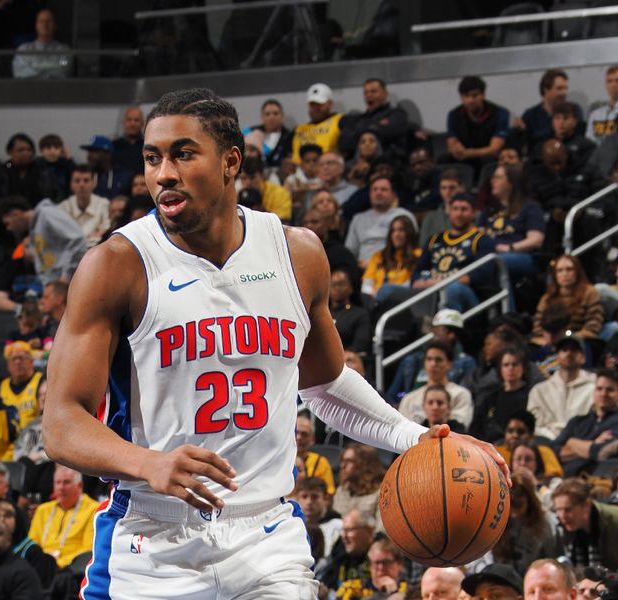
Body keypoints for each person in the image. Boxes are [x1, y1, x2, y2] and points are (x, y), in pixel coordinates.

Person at [43, 87, 507, 599]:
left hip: (266, 536)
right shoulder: (117, 263)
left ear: (230, 162)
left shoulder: (298, 253)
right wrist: (147, 462)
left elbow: (326, 384)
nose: (163, 174)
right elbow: (62, 424)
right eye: (153, 158)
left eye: (183, 153)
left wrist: (414, 437)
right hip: (154, 541)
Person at [411, 193, 496, 313]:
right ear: (449, 212)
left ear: (473, 213)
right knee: (388, 290)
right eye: (455, 209)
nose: (459, 213)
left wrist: (443, 283)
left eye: (464, 209)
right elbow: (418, 270)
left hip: (465, 293)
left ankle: (451, 331)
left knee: (452, 289)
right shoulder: (434, 239)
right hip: (431, 288)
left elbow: (482, 274)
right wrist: (418, 282)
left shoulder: (482, 240)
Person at [386, 308, 476, 405]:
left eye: (439, 330)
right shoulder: (412, 360)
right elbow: (392, 395)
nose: (434, 333)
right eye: (434, 329)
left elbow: (463, 399)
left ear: (451, 334)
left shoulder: (465, 363)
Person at [479, 164, 545, 283]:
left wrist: (510, 248)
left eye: (497, 177)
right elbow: (478, 235)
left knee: (495, 262)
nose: (492, 181)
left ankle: (506, 302)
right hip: (490, 254)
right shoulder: (489, 210)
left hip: (520, 255)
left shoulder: (530, 207)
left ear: (511, 183)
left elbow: (536, 240)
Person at [0, 195, 87, 285]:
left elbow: (77, 239)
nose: (8, 229)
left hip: (70, 282)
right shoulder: (33, 231)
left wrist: (66, 277)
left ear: (15, 214)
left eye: (7, 223)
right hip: (55, 285)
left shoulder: (47, 214)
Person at [27, 464, 99, 568]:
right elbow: (32, 544)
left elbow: (88, 550)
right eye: (58, 482)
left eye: (66, 482)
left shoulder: (93, 509)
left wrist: (58, 562)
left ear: (79, 485)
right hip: (42, 568)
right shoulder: (42, 510)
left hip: (71, 569)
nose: (61, 487)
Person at [527, 334, 596, 440]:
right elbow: (535, 426)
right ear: (557, 357)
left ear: (583, 358)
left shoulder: (596, 387)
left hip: (583, 444)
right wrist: (556, 440)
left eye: (574, 350)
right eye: (564, 350)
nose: (569, 353)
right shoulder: (539, 391)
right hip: (547, 444)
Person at [551, 368, 618, 476]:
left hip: (599, 479)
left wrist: (571, 442)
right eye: (599, 389)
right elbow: (553, 451)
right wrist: (594, 443)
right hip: (565, 478)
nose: (603, 394)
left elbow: (602, 452)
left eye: (610, 390)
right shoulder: (577, 421)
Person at [344, 174, 417, 268]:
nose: (378, 193)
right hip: (363, 270)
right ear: (369, 194)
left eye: (383, 189)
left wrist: (376, 264)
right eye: (374, 189)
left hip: (396, 267)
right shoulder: (358, 219)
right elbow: (350, 251)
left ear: (393, 195)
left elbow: (411, 248)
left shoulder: (404, 215)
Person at [531, 255, 605, 348]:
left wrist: (569, 338)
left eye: (569, 269)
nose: (564, 274)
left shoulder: (590, 293)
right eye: (560, 270)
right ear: (555, 275)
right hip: (551, 339)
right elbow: (538, 327)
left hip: (582, 339)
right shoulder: (547, 298)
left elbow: (593, 325)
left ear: (577, 272)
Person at [492, 471, 558, 574]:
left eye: (519, 506)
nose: (514, 513)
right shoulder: (500, 518)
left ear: (530, 500)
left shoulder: (545, 523)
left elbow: (552, 557)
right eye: (511, 507)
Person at [398, 341, 474, 429]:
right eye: (429, 359)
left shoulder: (461, 394)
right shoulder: (409, 398)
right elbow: (401, 430)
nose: (433, 364)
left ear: (450, 364)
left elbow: (460, 427)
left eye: (438, 360)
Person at [445, 75, 509, 173]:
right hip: (465, 157)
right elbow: (451, 142)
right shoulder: (454, 114)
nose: (471, 100)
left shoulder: (500, 113)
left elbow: (494, 149)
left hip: (487, 157)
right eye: (466, 96)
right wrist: (456, 149)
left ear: (483, 94)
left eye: (475, 95)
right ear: (461, 97)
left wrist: (469, 153)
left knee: (489, 159)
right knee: (444, 160)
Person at [472, 345, 536, 441]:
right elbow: (476, 428)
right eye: (506, 365)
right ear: (500, 369)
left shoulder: (531, 395)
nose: (510, 368)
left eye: (515, 364)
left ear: (523, 368)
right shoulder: (491, 398)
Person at [552, 479, 618, 569]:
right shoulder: (565, 528)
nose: (562, 516)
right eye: (558, 510)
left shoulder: (614, 522)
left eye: (568, 509)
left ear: (586, 505)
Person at [338, 78, 410, 159]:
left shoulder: (397, 115)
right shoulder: (358, 120)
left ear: (385, 93)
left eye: (373, 91)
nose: (369, 95)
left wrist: (358, 133)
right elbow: (344, 143)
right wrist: (374, 128)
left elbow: (389, 133)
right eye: (366, 93)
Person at [520, 69, 584, 153]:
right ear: (546, 90)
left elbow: (579, 139)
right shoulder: (531, 115)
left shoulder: (574, 110)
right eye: (559, 89)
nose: (564, 93)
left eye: (565, 88)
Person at [361, 215, 422, 301]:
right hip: (375, 301)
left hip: (403, 300)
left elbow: (413, 284)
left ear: (409, 233)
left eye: (401, 230)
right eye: (393, 231)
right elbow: (367, 284)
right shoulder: (378, 256)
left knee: (386, 290)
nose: (396, 234)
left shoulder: (418, 255)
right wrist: (372, 295)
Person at [495, 410, 564, 481]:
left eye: (520, 432)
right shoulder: (495, 452)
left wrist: (527, 480)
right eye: (510, 431)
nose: (515, 435)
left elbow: (555, 478)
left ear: (531, 435)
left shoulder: (544, 451)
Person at [321, 510, 374, 600]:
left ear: (369, 530)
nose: (344, 536)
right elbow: (326, 585)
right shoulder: (341, 557)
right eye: (343, 530)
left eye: (349, 530)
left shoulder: (382, 556)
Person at [59, 164, 112, 248]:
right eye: (77, 181)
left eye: (86, 180)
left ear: (93, 183)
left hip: (96, 251)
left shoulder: (103, 204)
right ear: (71, 184)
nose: (82, 185)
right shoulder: (63, 207)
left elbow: (106, 229)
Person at [12, 8, 72, 79]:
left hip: (56, 88)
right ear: (36, 25)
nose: (45, 25)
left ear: (55, 25)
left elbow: (64, 67)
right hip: (29, 88)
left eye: (48, 21)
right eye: (41, 21)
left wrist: (34, 67)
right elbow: (20, 72)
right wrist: (52, 67)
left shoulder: (64, 50)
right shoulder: (23, 49)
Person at [331, 443, 384, 520]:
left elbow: (381, 529)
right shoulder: (341, 490)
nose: (342, 466)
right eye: (342, 461)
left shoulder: (380, 494)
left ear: (365, 465)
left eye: (349, 461)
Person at [292, 83, 343, 162]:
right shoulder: (299, 129)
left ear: (330, 104)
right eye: (312, 105)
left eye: (319, 104)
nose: (315, 108)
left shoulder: (340, 121)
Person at [294, 477, 342, 559]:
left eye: (315, 497)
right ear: (297, 499)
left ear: (325, 498)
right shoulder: (292, 526)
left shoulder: (338, 526)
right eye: (304, 497)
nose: (309, 502)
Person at [418, 168, 465, 249]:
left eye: (452, 188)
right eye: (443, 188)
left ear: (462, 188)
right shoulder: (430, 218)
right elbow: (423, 246)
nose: (447, 192)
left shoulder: (473, 215)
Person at [0, 341, 43, 429]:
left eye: (21, 358)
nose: (17, 362)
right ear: (8, 365)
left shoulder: (41, 382)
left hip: (35, 436)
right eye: (13, 359)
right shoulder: (3, 385)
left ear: (31, 361)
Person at [329, 267, 371, 353]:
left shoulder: (359, 314)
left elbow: (360, 345)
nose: (337, 288)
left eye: (341, 284)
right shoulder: (322, 313)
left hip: (346, 358)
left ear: (350, 288)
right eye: (333, 284)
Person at [242, 99, 292, 168]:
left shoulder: (289, 137)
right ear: (262, 117)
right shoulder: (249, 132)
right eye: (267, 114)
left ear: (282, 116)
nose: (271, 117)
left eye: (275, 113)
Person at [238, 156, 292, 221]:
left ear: (262, 176)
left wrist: (262, 213)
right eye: (244, 178)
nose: (248, 182)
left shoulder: (280, 193)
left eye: (252, 177)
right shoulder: (238, 195)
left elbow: (283, 222)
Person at [80, 135, 134, 199]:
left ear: (108, 154)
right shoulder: (86, 176)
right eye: (89, 151)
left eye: (94, 151)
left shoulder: (125, 176)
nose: (89, 155)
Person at [295, 414, 336, 495]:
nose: (299, 437)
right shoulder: (278, 460)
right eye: (296, 432)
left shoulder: (321, 462)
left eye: (304, 434)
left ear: (312, 439)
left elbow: (328, 494)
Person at [586, 65, 618, 146]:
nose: (613, 85)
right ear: (606, 84)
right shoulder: (595, 115)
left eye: (617, 80)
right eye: (609, 81)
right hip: (600, 156)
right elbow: (589, 142)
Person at [112, 106, 145, 176]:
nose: (132, 124)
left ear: (142, 124)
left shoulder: (148, 146)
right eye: (129, 120)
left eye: (136, 120)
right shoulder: (113, 146)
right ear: (123, 123)